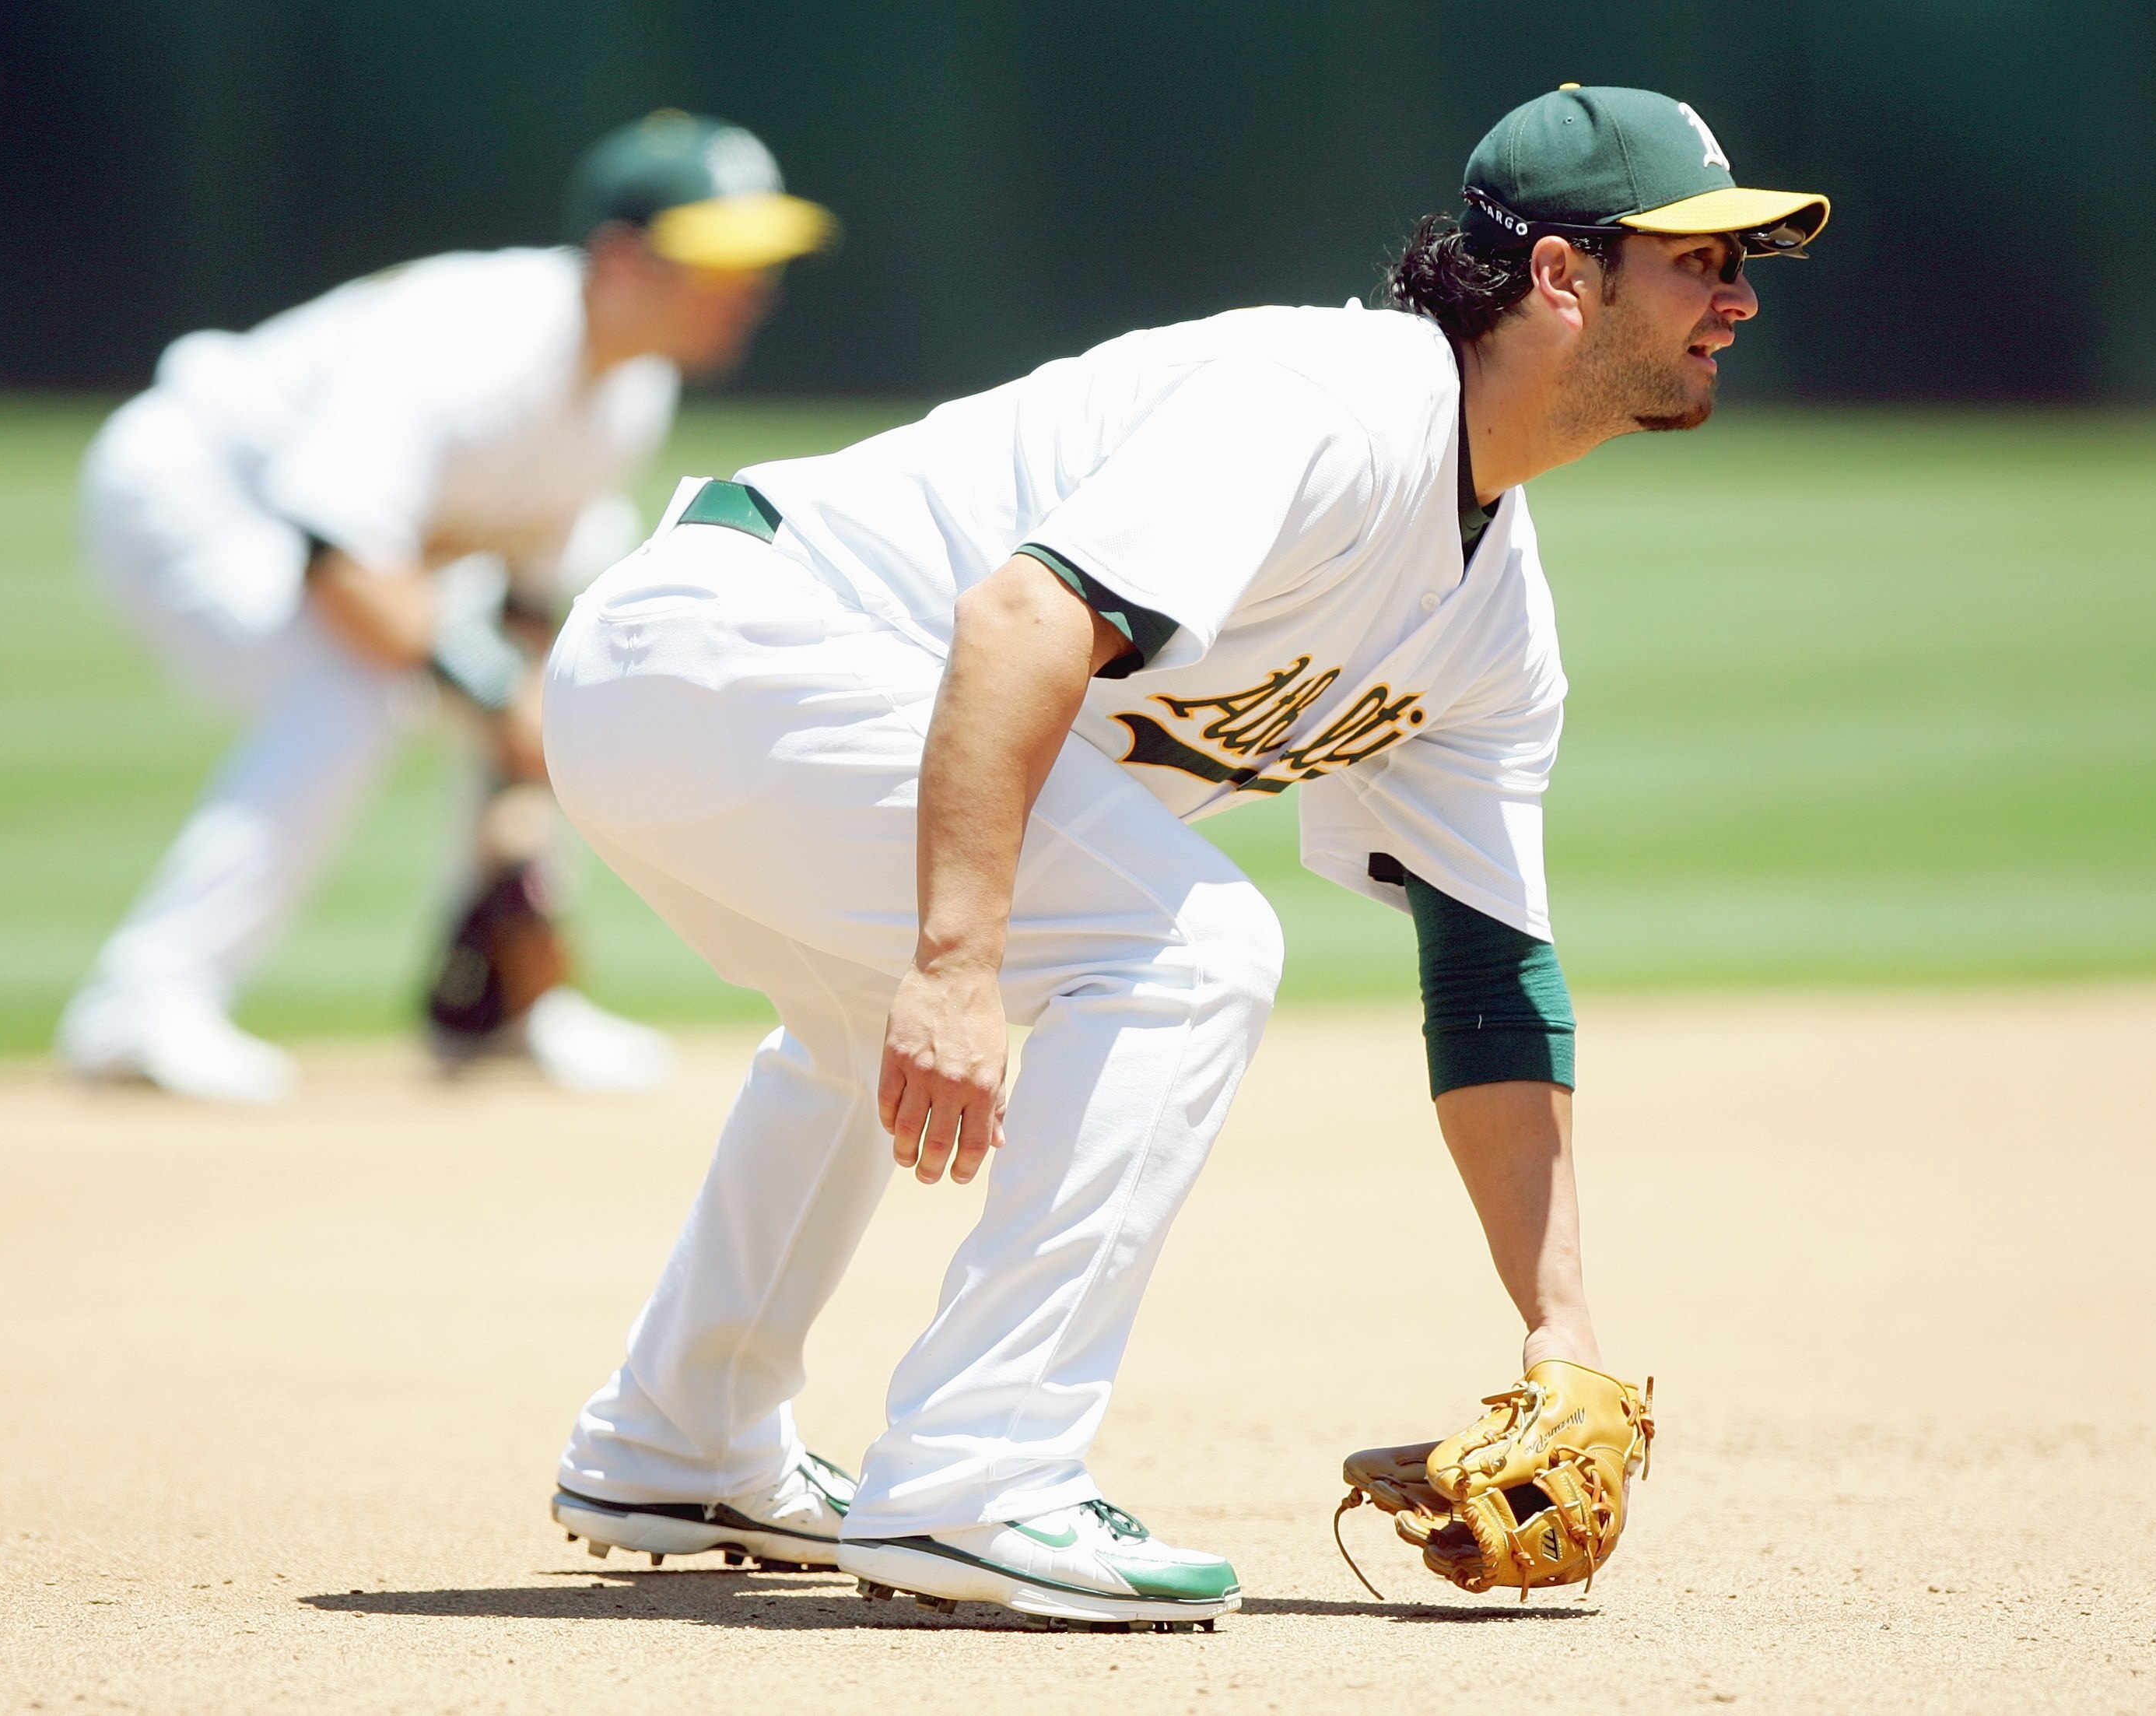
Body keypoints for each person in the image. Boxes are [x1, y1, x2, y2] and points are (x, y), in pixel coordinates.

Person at [538, 86, 1827, 1627]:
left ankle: (683, 1434)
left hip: (705, 696)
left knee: (843, 1026)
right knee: (1191, 945)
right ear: (1562, 275)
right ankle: (975, 1476)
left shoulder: (1495, 623)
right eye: (1698, 259)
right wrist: (954, 964)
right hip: (725, 644)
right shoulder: (1335, 402)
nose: (1739, 295)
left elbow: (1489, 975)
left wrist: (1564, 1334)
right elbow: (1018, 619)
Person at [58, 112, 836, 1104]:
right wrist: (505, 708)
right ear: (622, 260)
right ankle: (141, 1007)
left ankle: (511, 1009)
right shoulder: (478, 344)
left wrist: (518, 817)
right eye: (721, 260)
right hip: (187, 494)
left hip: (335, 535)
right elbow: (340, 565)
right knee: (356, 683)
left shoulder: (631, 390)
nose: (752, 288)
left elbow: (528, 609)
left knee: (572, 633)